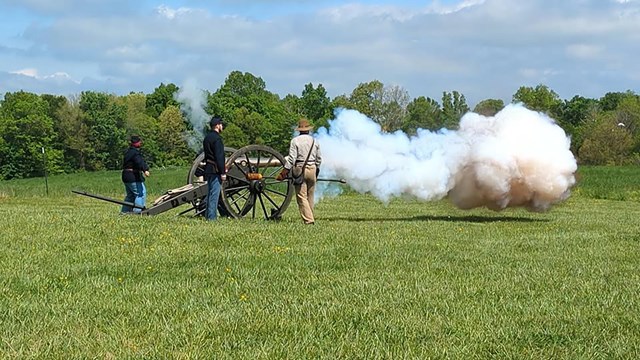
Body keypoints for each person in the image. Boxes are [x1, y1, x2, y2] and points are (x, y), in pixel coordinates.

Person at [277, 118, 322, 224]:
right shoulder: (315, 141)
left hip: (300, 169)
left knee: (301, 196)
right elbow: (319, 159)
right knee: (310, 195)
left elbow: (292, 159)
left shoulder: (295, 141)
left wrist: (284, 172)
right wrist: (316, 170)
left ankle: (309, 220)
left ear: (299, 130)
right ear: (308, 130)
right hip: (313, 168)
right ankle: (310, 216)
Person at [203, 116, 227, 221]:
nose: (222, 126)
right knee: (214, 195)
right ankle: (212, 218)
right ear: (217, 125)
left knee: (210, 194)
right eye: (221, 124)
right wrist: (222, 172)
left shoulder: (207, 137)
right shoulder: (217, 139)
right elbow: (219, 157)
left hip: (208, 168)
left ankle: (208, 215)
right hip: (215, 169)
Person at [121, 135, 150, 214]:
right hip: (132, 176)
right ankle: (138, 211)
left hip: (126, 175)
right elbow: (139, 162)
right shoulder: (135, 153)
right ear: (136, 143)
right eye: (139, 141)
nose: (140, 142)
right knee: (140, 193)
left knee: (130, 195)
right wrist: (145, 170)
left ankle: (124, 211)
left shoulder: (128, 151)